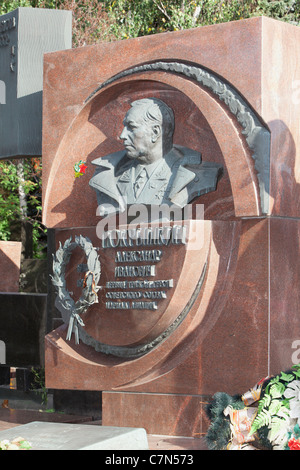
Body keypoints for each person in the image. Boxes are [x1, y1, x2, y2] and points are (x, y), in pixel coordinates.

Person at [89, 97, 223, 214]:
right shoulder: (109, 175)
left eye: (131, 127)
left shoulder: (197, 175)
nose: (122, 135)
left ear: (155, 132)